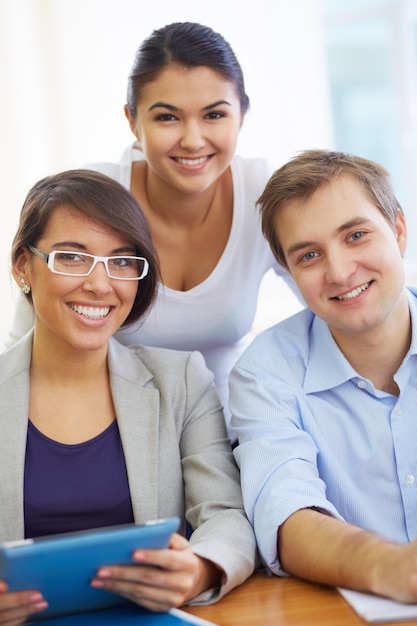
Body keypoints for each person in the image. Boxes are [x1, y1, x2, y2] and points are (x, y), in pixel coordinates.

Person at [4, 21, 301, 442]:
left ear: (242, 115)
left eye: (214, 114)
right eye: (167, 117)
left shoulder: (264, 194)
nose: (193, 140)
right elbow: (25, 343)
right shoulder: (90, 200)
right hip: (114, 429)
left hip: (235, 426)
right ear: (132, 121)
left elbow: (334, 300)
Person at [0, 169, 257, 625]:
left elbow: (225, 513)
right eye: (72, 258)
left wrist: (199, 569)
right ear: (23, 266)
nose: (101, 285)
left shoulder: (179, 380)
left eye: (121, 261)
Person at [229, 149, 417, 603]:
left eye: (356, 235)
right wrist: (392, 568)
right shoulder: (264, 373)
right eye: (309, 255)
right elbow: (287, 515)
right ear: (290, 273)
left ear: (398, 230)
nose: (339, 271)